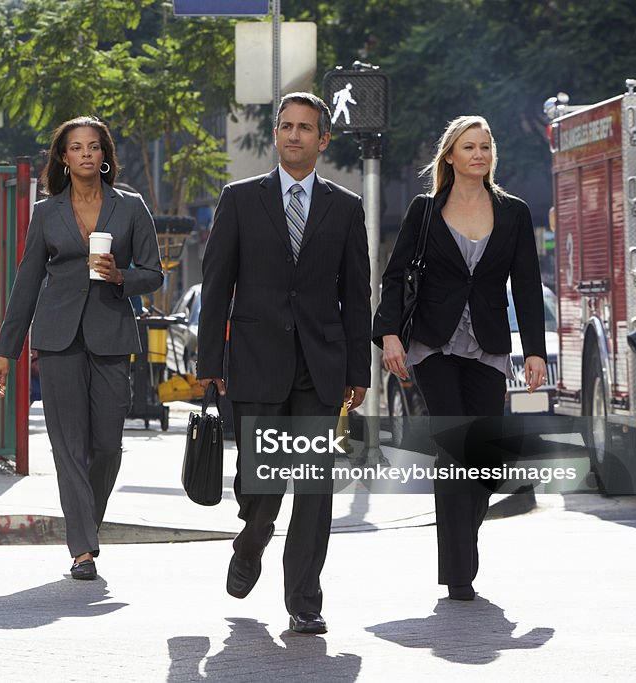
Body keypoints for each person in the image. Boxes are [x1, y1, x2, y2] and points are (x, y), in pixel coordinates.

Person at [198, 92, 371, 635]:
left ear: (323, 140)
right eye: (286, 126)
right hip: (255, 362)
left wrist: (357, 373)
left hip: (320, 368)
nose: (294, 135)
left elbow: (357, 293)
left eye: (306, 128)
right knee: (262, 485)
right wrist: (210, 361)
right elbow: (217, 286)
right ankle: (252, 539)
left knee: (315, 488)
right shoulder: (240, 199)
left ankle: (304, 599)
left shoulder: (345, 208)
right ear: (276, 135)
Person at [373, 115, 547, 601]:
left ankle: (460, 541)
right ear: (449, 155)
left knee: (486, 459)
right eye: (468, 147)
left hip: (489, 344)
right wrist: (389, 334)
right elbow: (396, 275)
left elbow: (528, 286)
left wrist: (534, 348)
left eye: (485, 146)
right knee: (454, 450)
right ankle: (458, 572)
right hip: (434, 344)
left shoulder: (513, 212)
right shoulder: (424, 210)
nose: (478, 154)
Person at [0, 116, 163, 580]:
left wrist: (122, 275)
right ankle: (82, 548)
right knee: (68, 446)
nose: (86, 154)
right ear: (63, 158)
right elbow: (26, 283)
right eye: (76, 148)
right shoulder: (47, 213)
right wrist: (7, 350)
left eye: (94, 146)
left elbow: (155, 272)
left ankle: (88, 524)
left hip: (110, 336)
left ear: (104, 155)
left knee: (106, 446)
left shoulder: (131, 207)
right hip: (58, 338)